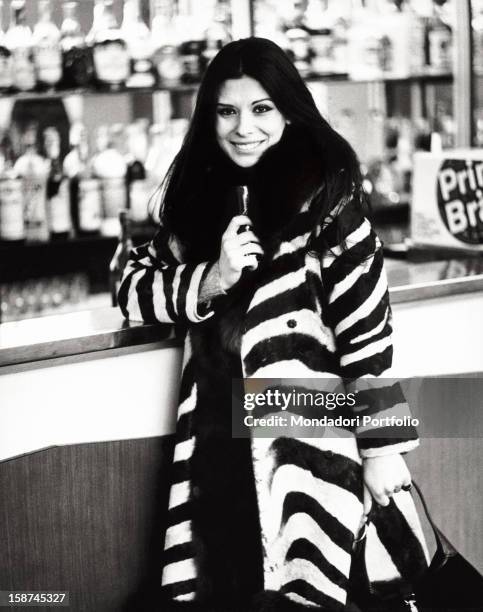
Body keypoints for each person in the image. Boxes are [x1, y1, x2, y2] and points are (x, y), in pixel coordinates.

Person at [118, 37, 429, 612]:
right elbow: (132, 290)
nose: (244, 128)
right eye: (227, 110)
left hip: (307, 454)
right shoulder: (199, 202)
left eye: (262, 109)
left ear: (289, 110)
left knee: (306, 592)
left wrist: (383, 449)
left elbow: (368, 335)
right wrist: (211, 277)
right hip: (213, 455)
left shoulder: (329, 201)